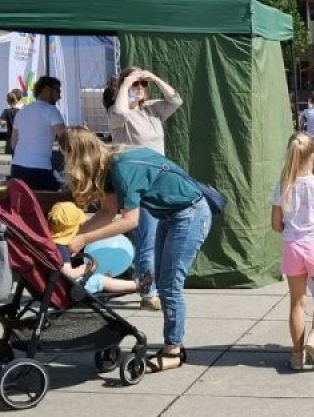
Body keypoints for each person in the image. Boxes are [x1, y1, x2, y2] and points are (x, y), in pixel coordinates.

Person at [58, 125, 213, 372]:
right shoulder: (110, 165)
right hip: (172, 215)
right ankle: (174, 344)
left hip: (190, 215)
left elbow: (131, 221)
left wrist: (84, 240)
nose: (66, 164)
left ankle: (173, 351)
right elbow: (108, 213)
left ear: (79, 155)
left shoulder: (121, 167)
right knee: (164, 284)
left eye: (67, 156)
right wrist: (75, 237)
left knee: (170, 285)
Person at [103, 68, 185, 311]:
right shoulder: (120, 115)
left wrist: (156, 78)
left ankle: (155, 284)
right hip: (138, 182)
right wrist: (126, 83)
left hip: (160, 180)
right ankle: (148, 291)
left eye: (142, 84)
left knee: (162, 235)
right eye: (135, 84)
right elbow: (118, 110)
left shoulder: (152, 109)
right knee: (147, 236)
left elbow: (176, 100)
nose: (140, 88)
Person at [271, 133, 314, 372]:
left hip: (292, 245)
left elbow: (276, 224)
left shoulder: (282, 186)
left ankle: (298, 355)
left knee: (297, 303)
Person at [47, 202, 146, 298]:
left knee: (100, 277)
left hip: (57, 284)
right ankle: (138, 285)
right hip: (68, 287)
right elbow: (69, 274)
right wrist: (85, 269)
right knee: (100, 280)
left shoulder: (51, 243)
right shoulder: (60, 248)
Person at [9, 76, 66, 191]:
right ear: (47, 90)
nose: (60, 96)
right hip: (40, 170)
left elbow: (13, 143)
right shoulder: (51, 111)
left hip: (17, 168)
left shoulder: (22, 111)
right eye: (58, 91)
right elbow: (66, 139)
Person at [0, 90, 22, 159]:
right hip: (20, 135)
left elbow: (2, 122)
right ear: (16, 100)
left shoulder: (6, 111)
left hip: (10, 136)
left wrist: (3, 124)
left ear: (8, 101)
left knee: (13, 155)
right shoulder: (20, 111)